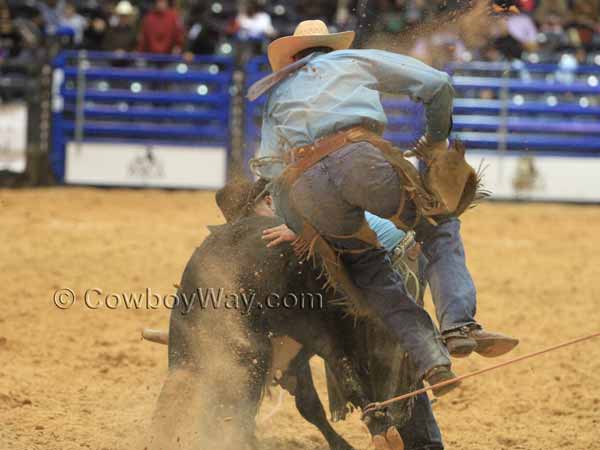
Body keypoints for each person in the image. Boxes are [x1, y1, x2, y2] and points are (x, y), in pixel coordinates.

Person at [250, 19, 519, 403]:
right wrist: (437, 142)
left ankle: (430, 360)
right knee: (438, 227)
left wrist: (298, 223)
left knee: (369, 273)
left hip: (305, 186)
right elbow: (438, 84)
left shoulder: (278, 93)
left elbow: (269, 168)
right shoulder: (351, 60)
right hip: (358, 157)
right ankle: (457, 325)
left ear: (293, 55)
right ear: (331, 47)